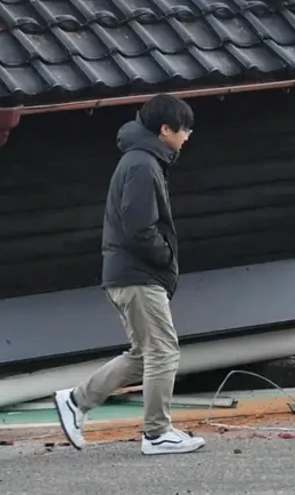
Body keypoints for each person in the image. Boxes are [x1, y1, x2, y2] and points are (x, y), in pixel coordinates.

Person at [53, 93, 206, 456]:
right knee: (164, 352)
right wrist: (166, 257)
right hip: (138, 275)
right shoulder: (141, 165)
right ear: (165, 129)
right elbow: (139, 228)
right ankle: (156, 433)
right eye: (184, 130)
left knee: (143, 354)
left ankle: (76, 401)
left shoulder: (142, 160)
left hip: (128, 274)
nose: (187, 137)